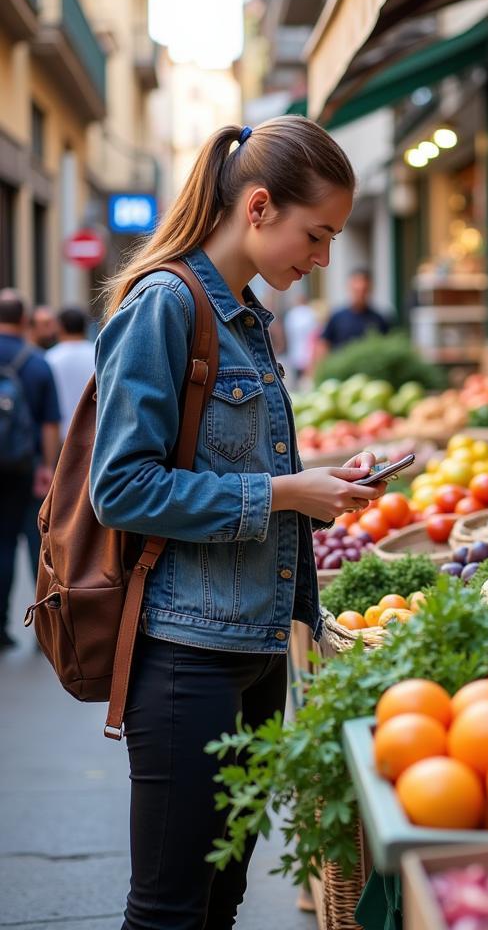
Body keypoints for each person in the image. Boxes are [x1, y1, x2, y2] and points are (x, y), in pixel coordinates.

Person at [89, 116, 386, 929]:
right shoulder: (164, 306)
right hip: (186, 661)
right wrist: (288, 493)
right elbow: (121, 488)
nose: (323, 259)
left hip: (253, 654)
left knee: (217, 904)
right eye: (316, 234)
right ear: (258, 207)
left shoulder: (245, 319)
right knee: (169, 913)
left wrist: (323, 489)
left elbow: (231, 471)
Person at [0, 292, 60, 649]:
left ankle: (0, 626)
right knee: (38, 548)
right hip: (27, 466)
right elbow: (50, 423)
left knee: (1, 544)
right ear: (24, 320)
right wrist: (48, 466)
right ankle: (43, 629)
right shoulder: (36, 362)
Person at [316, 267, 391, 361]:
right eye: (357, 290)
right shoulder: (337, 317)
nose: (360, 294)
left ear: (370, 289)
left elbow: (387, 348)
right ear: (349, 287)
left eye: (364, 290)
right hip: (340, 370)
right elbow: (323, 345)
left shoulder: (380, 319)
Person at [47, 305, 96, 439]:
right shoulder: (98, 356)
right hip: (93, 435)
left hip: (60, 435)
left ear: (60, 327)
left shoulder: (50, 358)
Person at [283, 290, 319, 382]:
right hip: (307, 351)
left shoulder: (292, 314)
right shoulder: (310, 313)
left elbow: (287, 334)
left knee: (298, 379)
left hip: (296, 350)